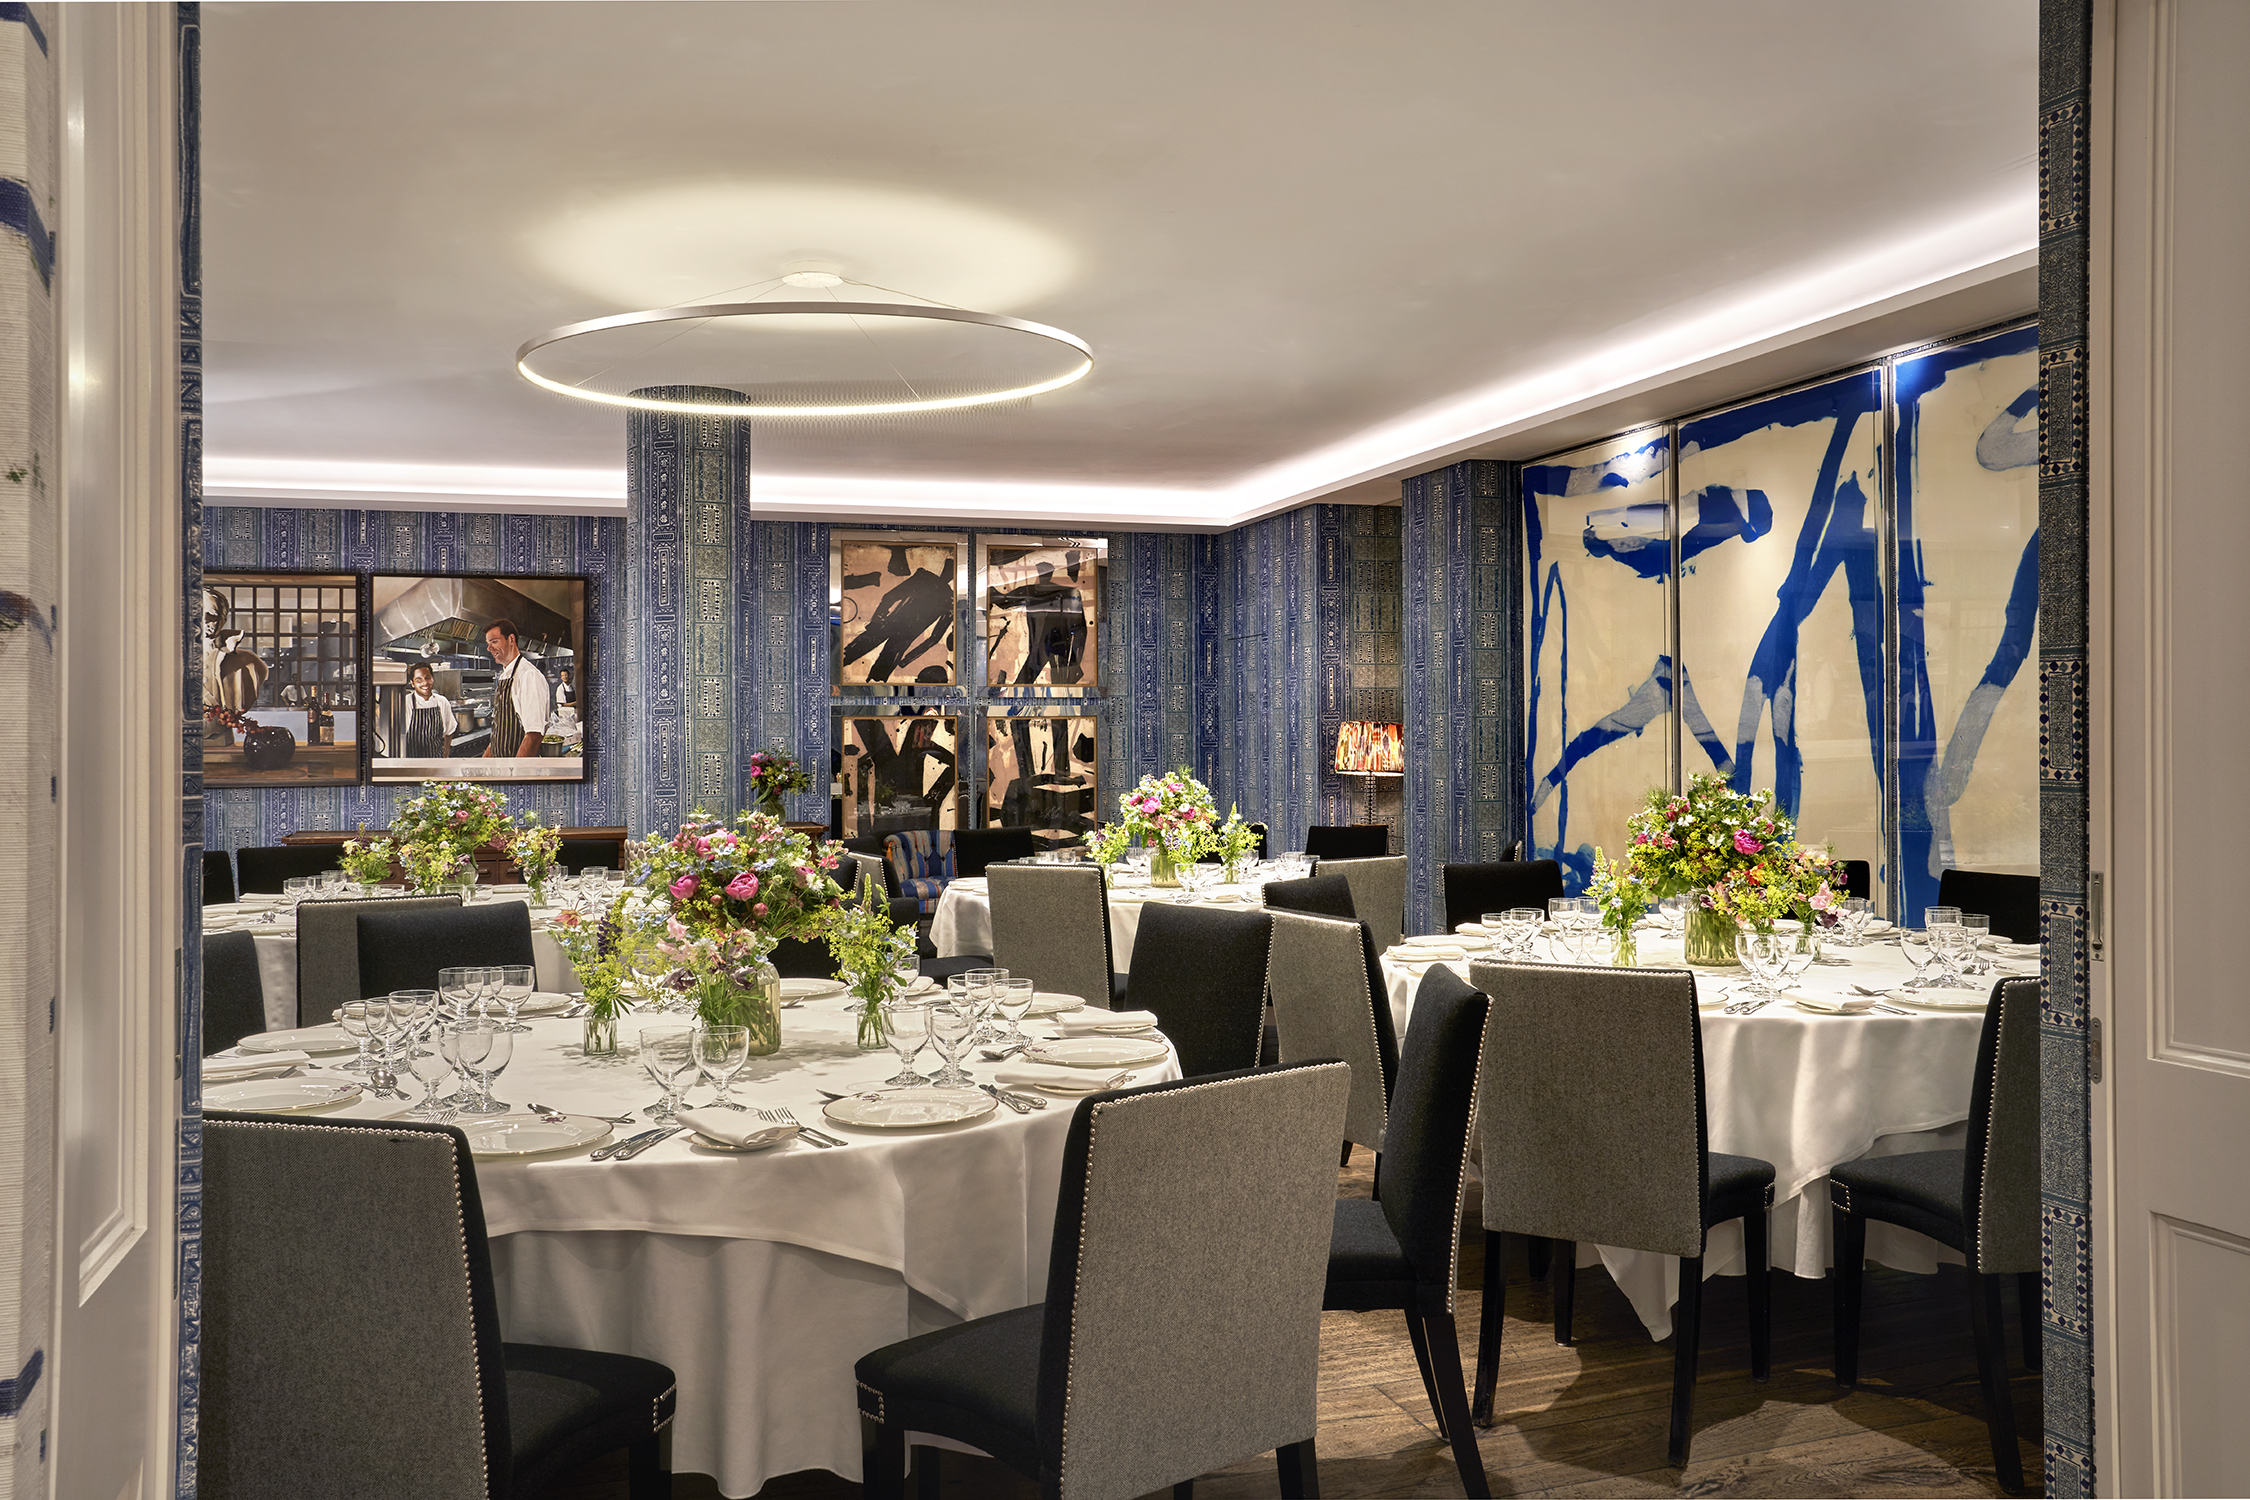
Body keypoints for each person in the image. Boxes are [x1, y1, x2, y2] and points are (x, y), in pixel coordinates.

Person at [482, 616, 551, 758]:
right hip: (500, 769)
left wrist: (514, 775)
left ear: (511, 639)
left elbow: (534, 735)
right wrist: (484, 763)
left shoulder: (528, 675)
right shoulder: (504, 676)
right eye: (488, 643)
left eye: (494, 641)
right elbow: (499, 732)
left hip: (515, 772)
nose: (489, 648)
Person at [400, 661, 458, 758]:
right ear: (412, 683)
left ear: (432, 678)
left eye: (428, 678)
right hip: (412, 760)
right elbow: (400, 737)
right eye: (419, 680)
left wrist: (446, 748)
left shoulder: (442, 701)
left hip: (436, 759)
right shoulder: (406, 702)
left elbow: (450, 730)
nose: (425, 683)